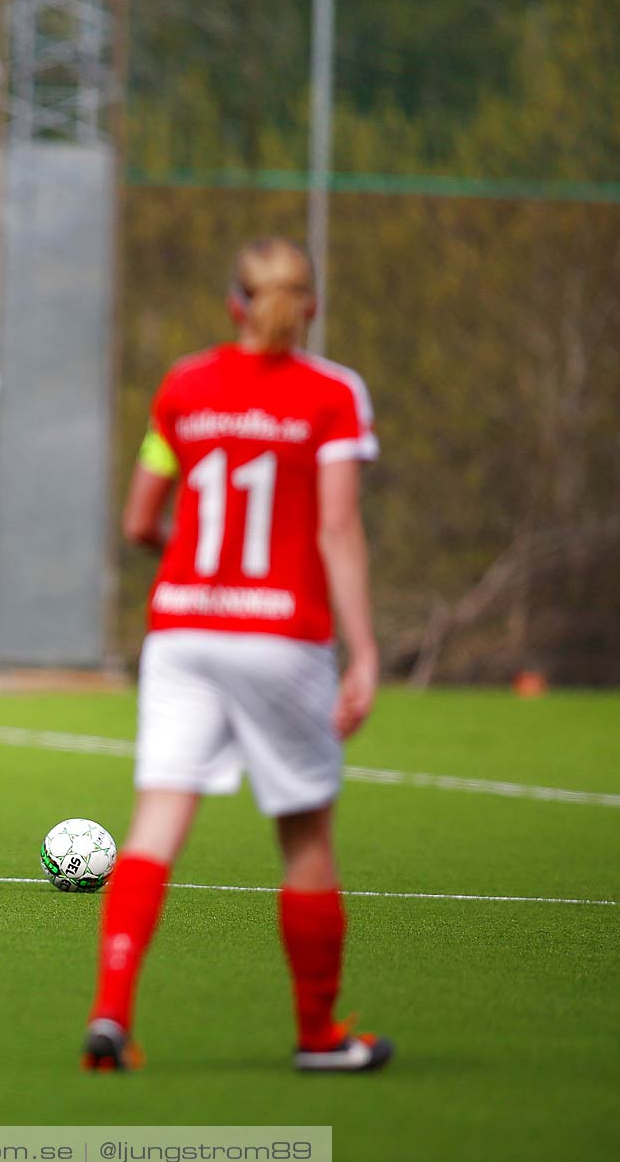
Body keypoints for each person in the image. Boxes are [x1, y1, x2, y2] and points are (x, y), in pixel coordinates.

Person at [82, 238, 391, 1074]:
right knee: (304, 840)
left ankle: (111, 1013)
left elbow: (141, 519)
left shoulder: (185, 385)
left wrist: (197, 561)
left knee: (155, 826)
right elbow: (337, 528)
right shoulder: (333, 393)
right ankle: (320, 1036)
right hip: (281, 636)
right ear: (311, 307)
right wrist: (363, 653)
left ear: (234, 305)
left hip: (182, 628)